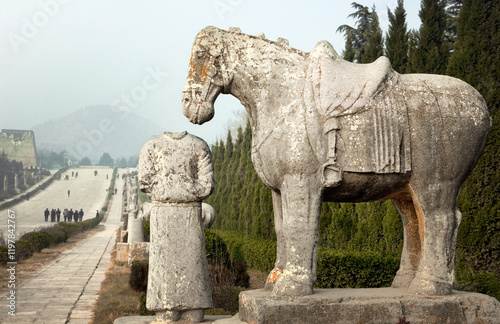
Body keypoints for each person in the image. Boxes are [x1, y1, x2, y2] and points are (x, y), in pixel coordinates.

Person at [138, 131, 214, 322]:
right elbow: (145, 181)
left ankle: (194, 303)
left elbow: (207, 186)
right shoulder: (151, 147)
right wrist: (184, 184)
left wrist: (170, 182)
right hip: (162, 215)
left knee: (193, 259)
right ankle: (166, 304)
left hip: (190, 215)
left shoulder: (199, 146)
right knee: (164, 264)